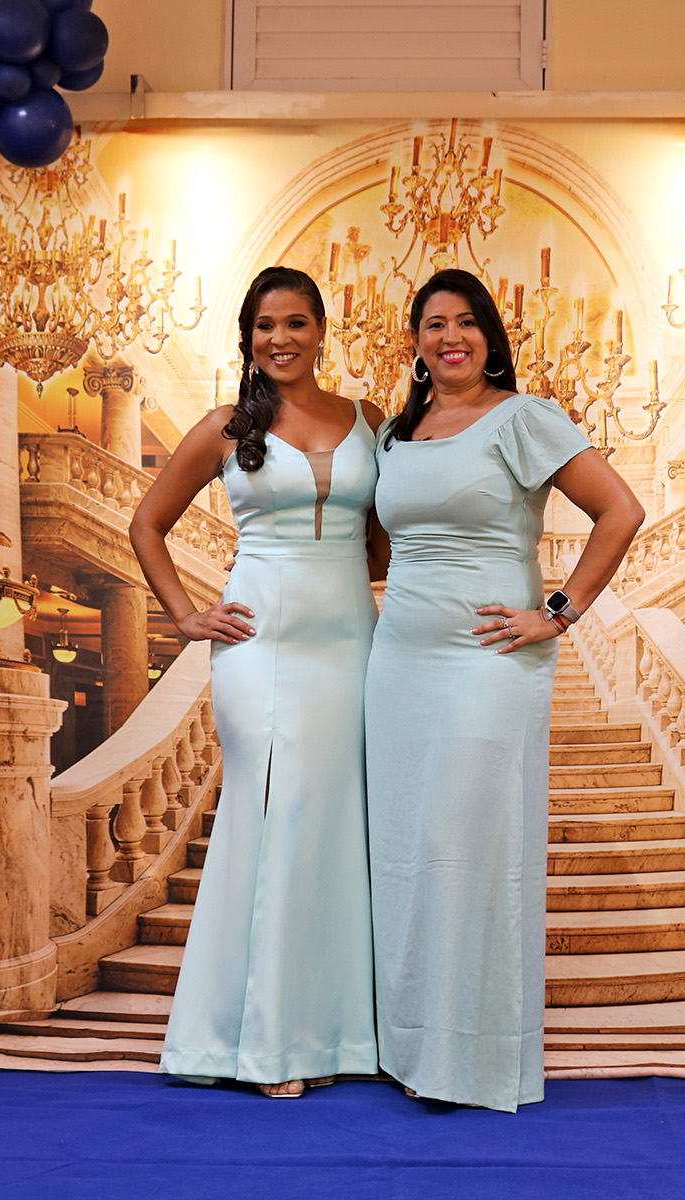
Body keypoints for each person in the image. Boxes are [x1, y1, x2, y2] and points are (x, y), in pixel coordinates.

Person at [365, 268, 645, 1112]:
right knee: (404, 849)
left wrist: (557, 612)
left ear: (490, 335)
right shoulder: (395, 436)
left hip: (489, 660)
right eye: (434, 323)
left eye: (466, 322)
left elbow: (621, 511)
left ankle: (467, 1058)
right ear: (415, 343)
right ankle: (409, 1043)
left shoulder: (525, 417)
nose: (450, 336)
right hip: (399, 662)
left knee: (466, 844)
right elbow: (377, 545)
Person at [128, 266, 386, 1099]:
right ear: (247, 339)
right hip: (259, 642)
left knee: (333, 826)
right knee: (273, 819)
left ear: (322, 331)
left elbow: (384, 541)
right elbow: (147, 524)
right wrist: (185, 614)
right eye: (266, 326)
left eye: (297, 323)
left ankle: (337, 1029)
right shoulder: (224, 425)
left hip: (350, 641)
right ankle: (268, 1044)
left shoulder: (370, 420)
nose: (282, 338)